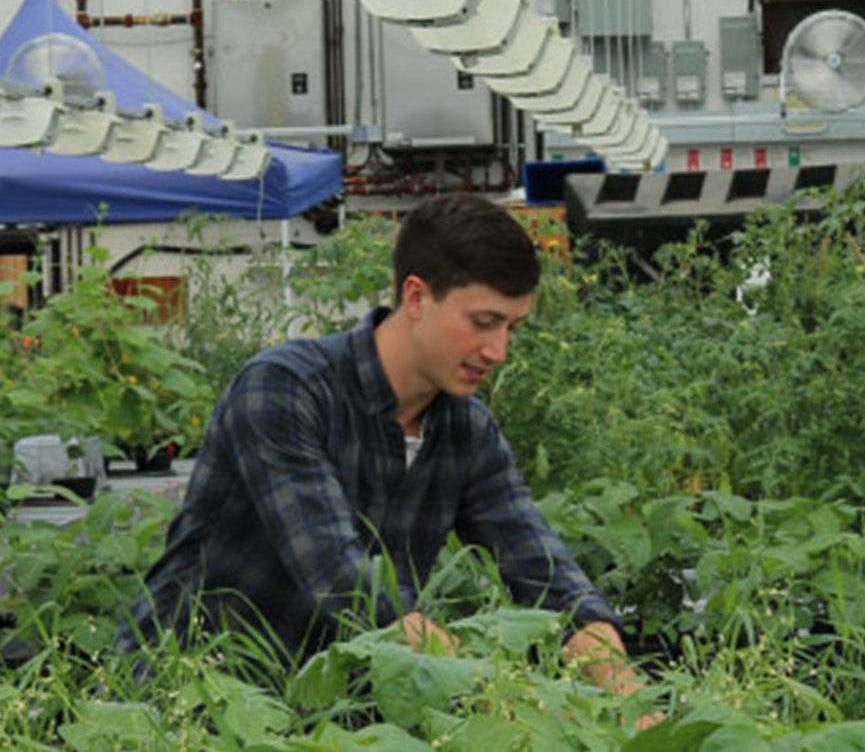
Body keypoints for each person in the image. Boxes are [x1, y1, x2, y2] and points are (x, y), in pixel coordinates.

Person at [117, 194, 648, 706]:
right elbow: (338, 578)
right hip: (183, 700)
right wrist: (490, 688)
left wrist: (629, 700)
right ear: (416, 297)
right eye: (483, 323)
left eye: (513, 328)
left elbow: (545, 571)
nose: (498, 351)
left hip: (319, 713)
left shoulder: (466, 432)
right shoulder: (284, 390)